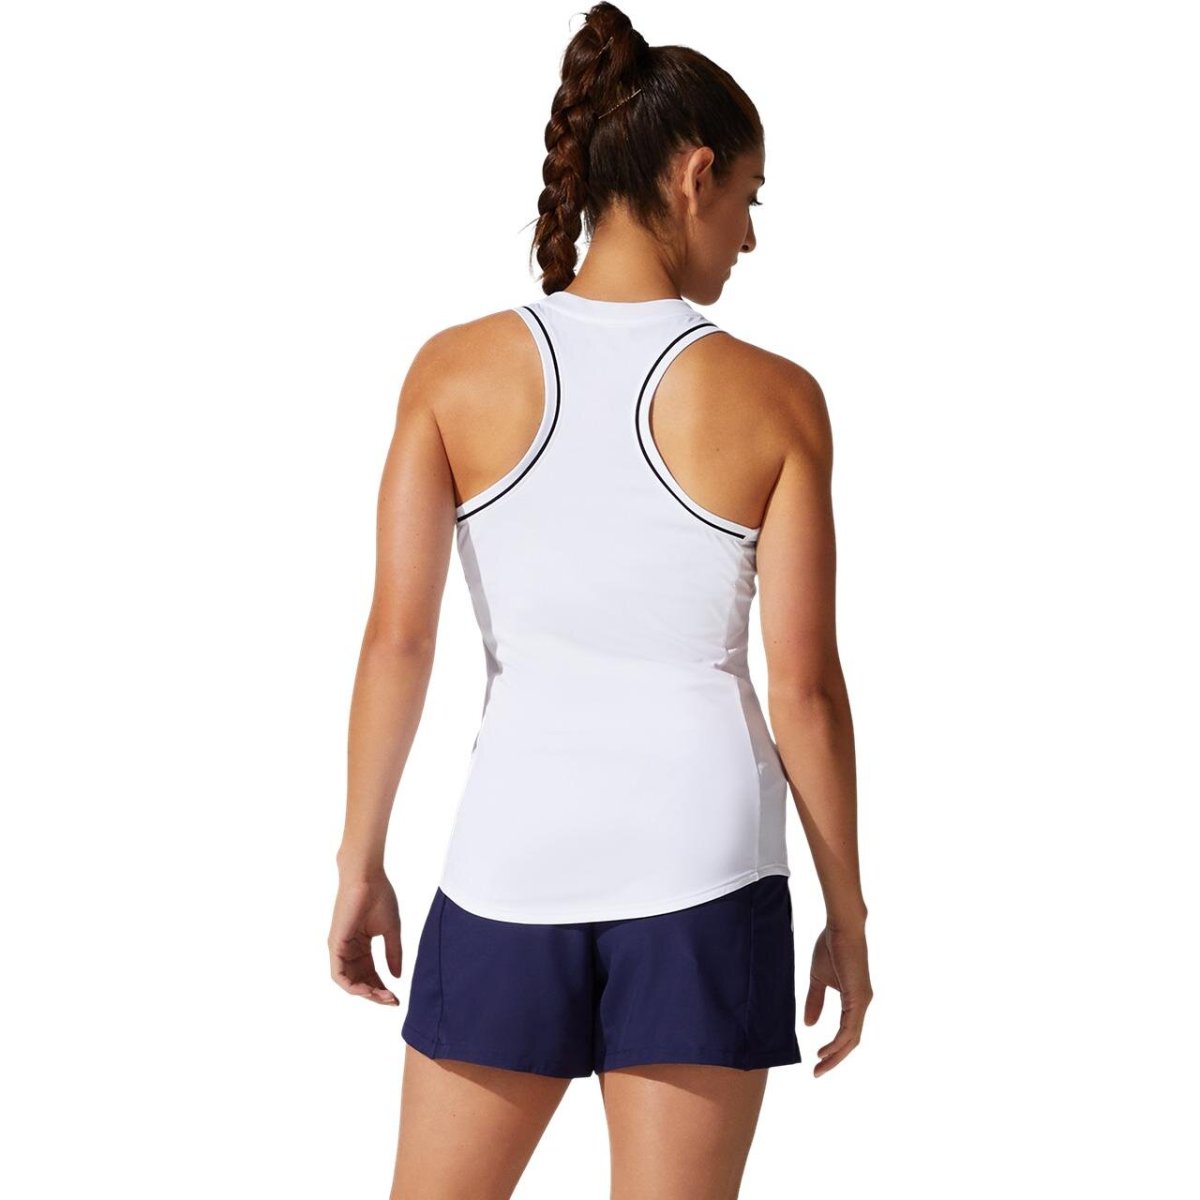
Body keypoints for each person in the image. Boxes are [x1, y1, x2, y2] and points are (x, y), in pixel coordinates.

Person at [329, 4, 872, 1196]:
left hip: (508, 858)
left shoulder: (452, 371)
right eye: (750, 200)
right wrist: (849, 915)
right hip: (705, 868)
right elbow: (807, 692)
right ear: (695, 175)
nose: (748, 237)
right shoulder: (776, 397)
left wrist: (360, 860)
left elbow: (397, 640)